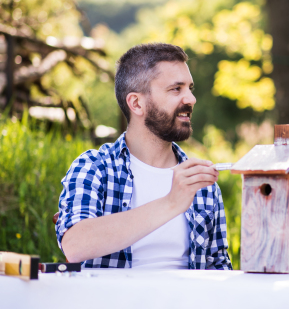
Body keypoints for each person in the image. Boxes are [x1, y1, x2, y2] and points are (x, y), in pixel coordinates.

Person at [55, 43, 232, 270]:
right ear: (137, 103)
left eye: (190, 88)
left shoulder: (201, 182)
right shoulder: (95, 167)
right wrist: (171, 203)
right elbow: (75, 245)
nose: (191, 99)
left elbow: (219, 267)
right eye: (176, 89)